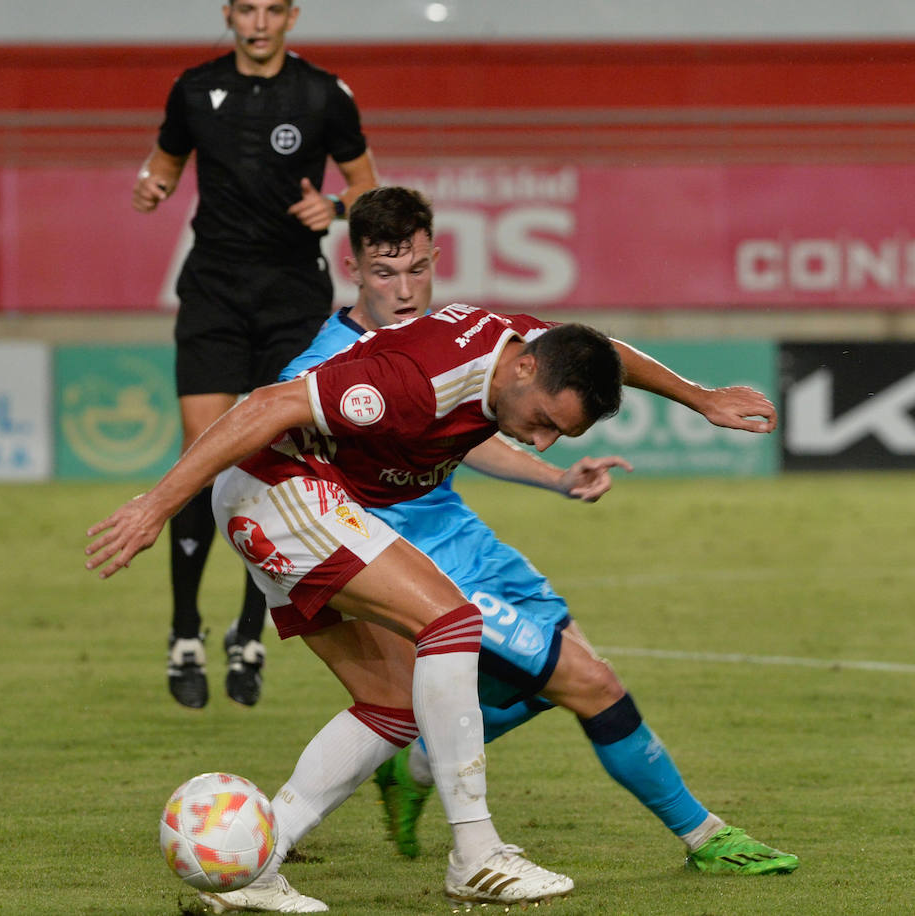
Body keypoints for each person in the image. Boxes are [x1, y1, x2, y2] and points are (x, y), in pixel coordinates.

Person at [85, 237, 777, 910]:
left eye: (557, 437)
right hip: (280, 486)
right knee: (451, 621)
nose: (537, 440)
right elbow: (266, 405)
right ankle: (476, 854)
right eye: (539, 421)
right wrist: (156, 506)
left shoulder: (526, 345)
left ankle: (254, 868)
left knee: (389, 701)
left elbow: (606, 354)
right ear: (525, 372)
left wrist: (700, 397)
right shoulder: (413, 384)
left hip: (291, 499)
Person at [279, 186, 798, 881]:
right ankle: (704, 834)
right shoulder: (333, 363)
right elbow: (272, 429)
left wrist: (698, 399)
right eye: (384, 272)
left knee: (553, 672)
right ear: (354, 268)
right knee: (589, 681)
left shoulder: (459, 336)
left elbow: (580, 357)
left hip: (457, 528)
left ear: (436, 258)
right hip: (400, 550)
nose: (405, 290)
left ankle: (417, 764)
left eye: (418, 270)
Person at [131, 0, 379, 708]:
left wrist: (333, 210)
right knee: (199, 452)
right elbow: (163, 164)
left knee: (268, 456)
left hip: (292, 297)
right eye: (248, 9)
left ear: (292, 17)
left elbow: (367, 184)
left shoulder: (323, 93)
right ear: (230, 15)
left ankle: (248, 629)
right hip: (213, 290)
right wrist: (151, 186)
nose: (260, 21)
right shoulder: (193, 87)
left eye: (274, 9)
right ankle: (184, 629)